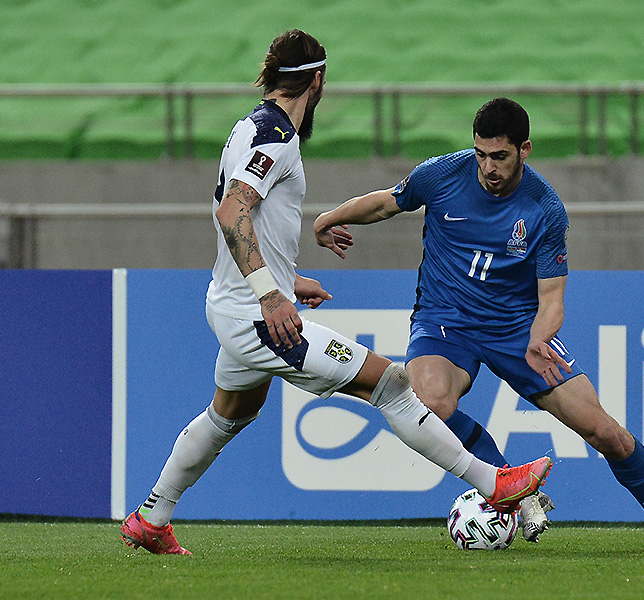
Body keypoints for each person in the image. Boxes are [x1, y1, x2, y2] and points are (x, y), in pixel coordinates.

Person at [120, 33, 552, 555]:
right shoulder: (276, 136)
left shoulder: (249, 126)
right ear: (318, 80)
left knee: (228, 413)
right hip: (258, 318)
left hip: (233, 303)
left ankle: (152, 518)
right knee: (392, 385)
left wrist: (284, 280)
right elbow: (232, 212)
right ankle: (494, 482)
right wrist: (271, 295)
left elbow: (246, 218)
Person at [314, 97, 644, 550]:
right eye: (481, 154)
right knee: (429, 402)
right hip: (445, 320)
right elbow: (386, 203)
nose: (488, 167)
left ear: (524, 149)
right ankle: (515, 488)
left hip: (516, 330)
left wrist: (540, 336)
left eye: (499, 156)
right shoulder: (442, 174)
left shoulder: (544, 208)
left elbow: (552, 298)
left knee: (605, 432)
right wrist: (329, 218)